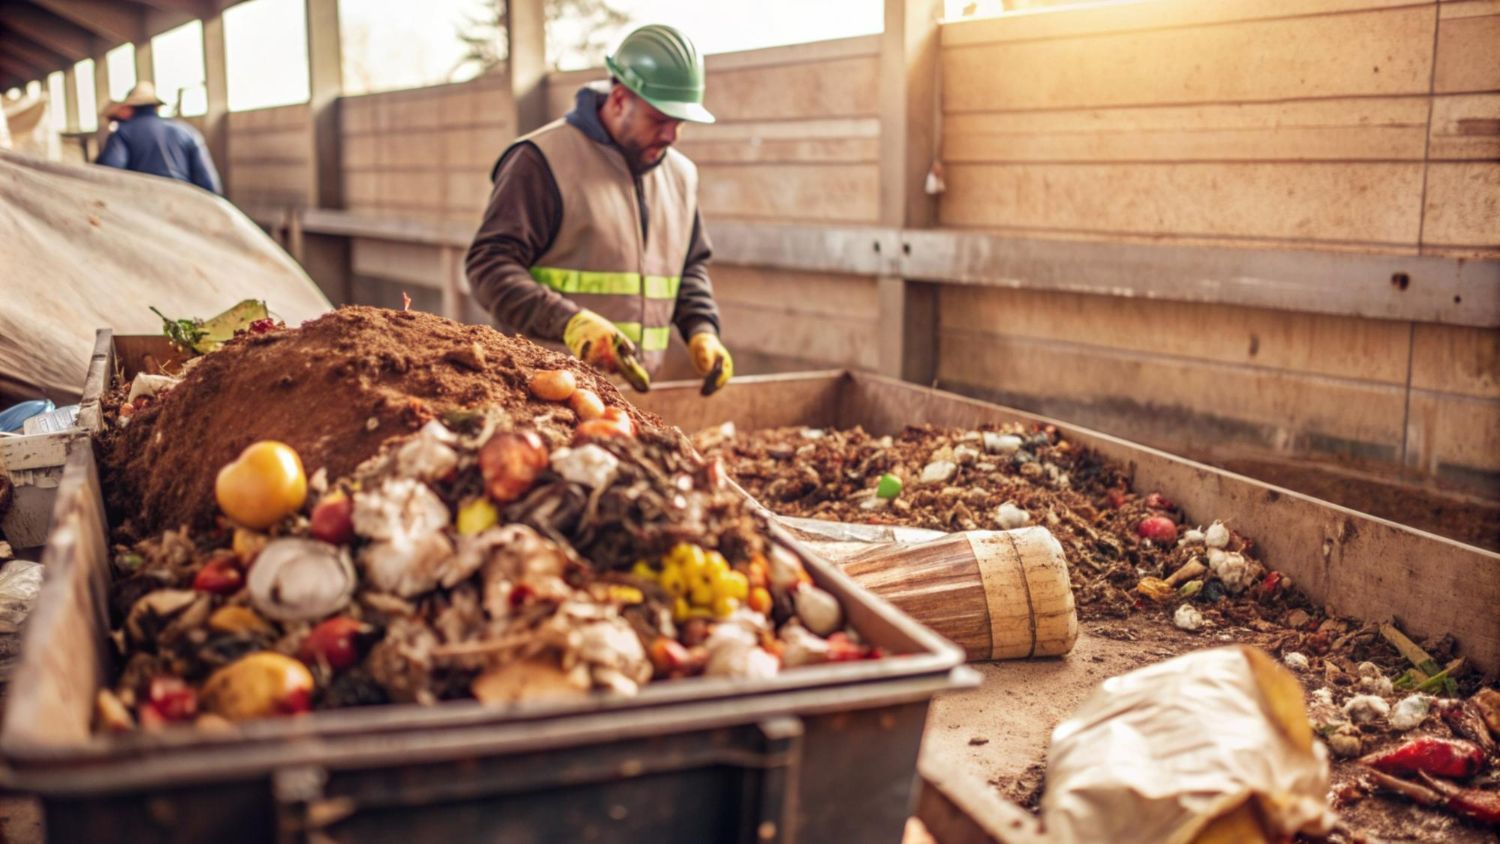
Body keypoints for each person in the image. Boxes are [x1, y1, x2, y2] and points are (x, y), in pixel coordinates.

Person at [465, 24, 732, 394]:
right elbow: (488, 267)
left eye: (679, 122)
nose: (671, 135)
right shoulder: (542, 161)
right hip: (543, 394)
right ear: (620, 99)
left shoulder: (681, 176)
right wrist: (568, 324)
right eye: (659, 120)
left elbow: (688, 269)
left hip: (629, 399)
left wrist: (702, 329)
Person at [97, 82, 222, 195]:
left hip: (143, 203)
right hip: (184, 200)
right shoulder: (187, 131)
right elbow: (209, 185)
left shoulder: (123, 132)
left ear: (131, 108)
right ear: (156, 107)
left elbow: (109, 173)